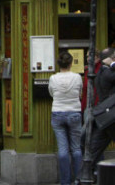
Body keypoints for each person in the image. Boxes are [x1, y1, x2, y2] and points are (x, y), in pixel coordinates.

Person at [48, 51, 82, 185]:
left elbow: (51, 93)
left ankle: (65, 182)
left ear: (59, 64)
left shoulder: (53, 78)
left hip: (57, 112)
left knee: (63, 150)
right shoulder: (77, 77)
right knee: (76, 149)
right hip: (74, 112)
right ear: (71, 63)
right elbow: (80, 92)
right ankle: (79, 179)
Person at [89, 47, 115, 174]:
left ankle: (81, 177)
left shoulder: (101, 72)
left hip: (105, 117)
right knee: (94, 149)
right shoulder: (109, 73)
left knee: (94, 150)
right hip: (111, 116)